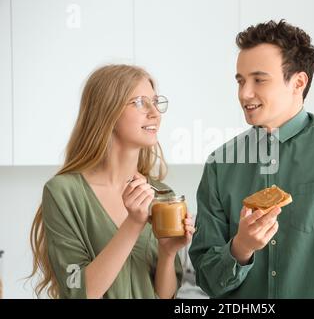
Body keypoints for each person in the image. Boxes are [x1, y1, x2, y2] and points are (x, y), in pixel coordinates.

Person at [189, 20, 314, 298]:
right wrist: (241, 248)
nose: (244, 93)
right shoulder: (221, 163)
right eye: (240, 80)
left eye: (259, 79)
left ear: (298, 82)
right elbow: (206, 279)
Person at [29, 64, 195, 299]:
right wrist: (133, 223)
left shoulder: (162, 194)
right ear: (107, 111)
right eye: (139, 102)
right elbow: (79, 292)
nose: (155, 113)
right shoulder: (63, 193)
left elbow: (166, 296)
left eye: (155, 102)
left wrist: (168, 253)